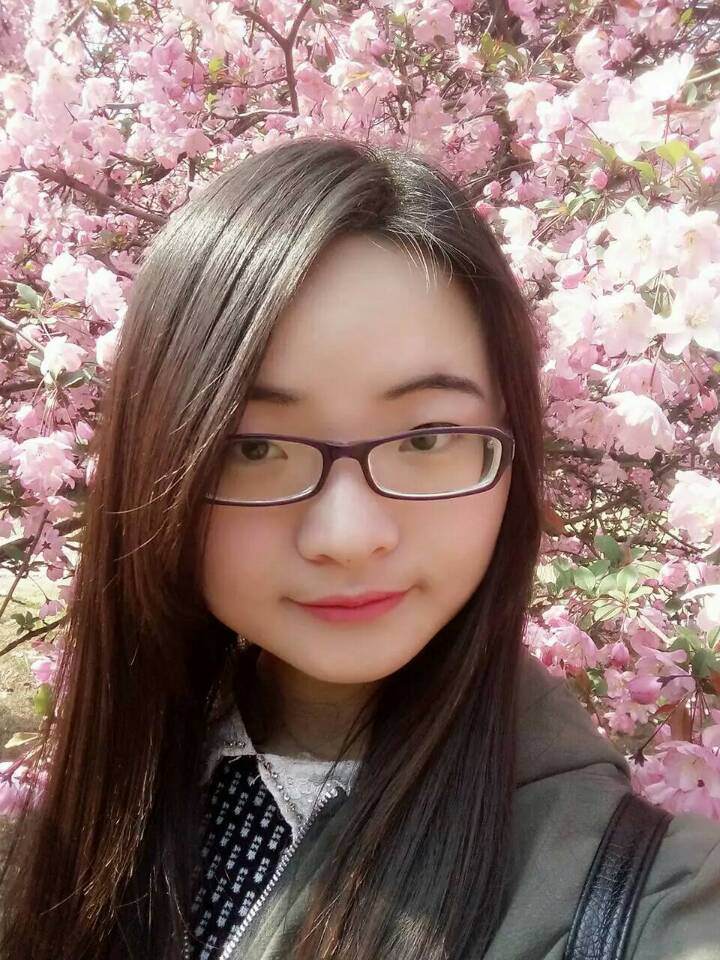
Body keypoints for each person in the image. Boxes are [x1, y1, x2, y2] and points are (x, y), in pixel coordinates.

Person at [1, 135, 718, 960]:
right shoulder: (85, 823)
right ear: (161, 463)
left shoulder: (650, 899)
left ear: (513, 453)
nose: (347, 537)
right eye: (253, 448)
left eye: (426, 439)